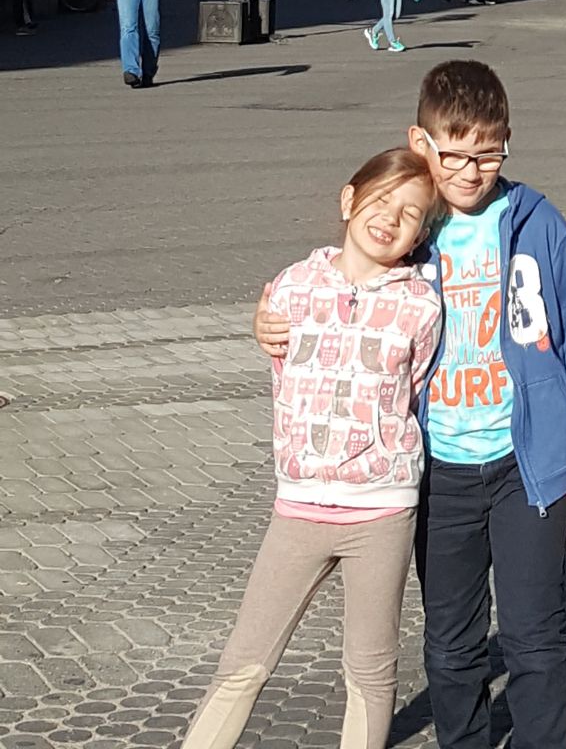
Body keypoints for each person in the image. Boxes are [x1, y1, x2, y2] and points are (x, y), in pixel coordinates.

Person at [256, 61, 566, 749]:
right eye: (454, 155)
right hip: (434, 471)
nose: (471, 172)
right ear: (420, 143)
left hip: (528, 466)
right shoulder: (411, 228)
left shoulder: (537, 223)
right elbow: (335, 284)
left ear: (506, 144)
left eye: (489, 154)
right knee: (451, 642)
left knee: (535, 636)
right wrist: (265, 318)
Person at [186, 148, 442, 749]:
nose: (390, 218)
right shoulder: (291, 287)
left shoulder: (421, 306)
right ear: (349, 199)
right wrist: (258, 324)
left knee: (369, 670)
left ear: (419, 236)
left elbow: (414, 388)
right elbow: (276, 349)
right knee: (243, 662)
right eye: (380, 200)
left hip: (381, 510)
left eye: (410, 213)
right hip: (298, 508)